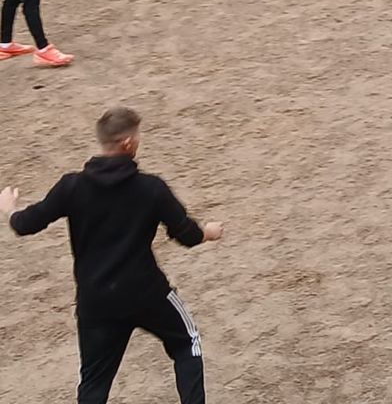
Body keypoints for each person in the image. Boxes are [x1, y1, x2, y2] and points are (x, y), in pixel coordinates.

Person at [1, 105, 225, 403]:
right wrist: (208, 232)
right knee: (187, 343)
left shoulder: (72, 187)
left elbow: (26, 224)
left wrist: (10, 209)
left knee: (94, 382)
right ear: (127, 143)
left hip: (96, 302)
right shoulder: (151, 188)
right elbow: (187, 235)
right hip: (147, 294)